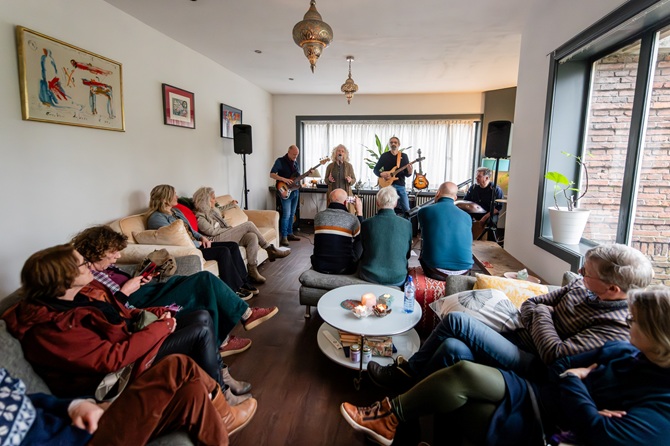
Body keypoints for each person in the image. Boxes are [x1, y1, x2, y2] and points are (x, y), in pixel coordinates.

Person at [341, 286, 670, 446]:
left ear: (659, 337)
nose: (630, 324)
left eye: (636, 321)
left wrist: (576, 381)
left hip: (549, 419)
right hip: (540, 389)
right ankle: (394, 414)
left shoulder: (661, 405)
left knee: (458, 342)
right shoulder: (624, 352)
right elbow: (560, 368)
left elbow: (593, 424)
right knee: (457, 355)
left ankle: (394, 408)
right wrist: (578, 382)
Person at [367, 243, 655, 392]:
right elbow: (532, 303)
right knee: (452, 347)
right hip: (515, 335)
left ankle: (403, 375)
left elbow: (555, 354)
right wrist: (545, 314)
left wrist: (543, 314)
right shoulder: (581, 287)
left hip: (531, 363)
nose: (579, 276)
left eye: (587, 273)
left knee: (456, 322)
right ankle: (410, 400)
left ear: (613, 289)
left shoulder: (616, 327)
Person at [3, 244, 252, 406]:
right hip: (122, 371)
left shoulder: (82, 295)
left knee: (200, 316)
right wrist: (161, 328)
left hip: (130, 339)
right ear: (63, 277)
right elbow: (112, 358)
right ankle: (220, 397)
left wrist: (159, 313)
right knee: (199, 329)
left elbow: (121, 314)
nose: (88, 265)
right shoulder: (51, 326)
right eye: (82, 263)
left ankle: (219, 381)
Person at [71, 225, 279, 358]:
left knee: (196, 284)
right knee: (204, 280)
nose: (117, 256)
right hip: (136, 303)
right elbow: (106, 311)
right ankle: (246, 315)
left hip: (144, 291)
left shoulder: (102, 267)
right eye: (112, 252)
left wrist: (139, 280)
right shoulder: (84, 277)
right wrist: (126, 291)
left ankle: (223, 340)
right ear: (97, 250)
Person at [14, 355, 256, 445]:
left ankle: (221, 425)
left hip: (88, 425)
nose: (88, 265)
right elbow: (105, 355)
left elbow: (28, 400)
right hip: (83, 438)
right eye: (81, 264)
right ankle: (225, 413)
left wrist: (75, 405)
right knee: (178, 365)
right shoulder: (50, 321)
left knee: (191, 391)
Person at [146, 184, 257, 299]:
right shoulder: (156, 218)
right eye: (174, 194)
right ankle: (232, 290)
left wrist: (201, 238)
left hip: (198, 244)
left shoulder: (175, 212)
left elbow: (190, 230)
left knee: (232, 246)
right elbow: (172, 238)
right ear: (165, 199)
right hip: (189, 249)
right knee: (223, 251)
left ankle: (243, 281)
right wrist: (196, 243)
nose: (177, 196)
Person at [192, 186, 290, 284]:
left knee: (252, 236)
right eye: (212, 198)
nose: (215, 200)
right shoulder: (199, 216)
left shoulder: (213, 210)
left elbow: (221, 208)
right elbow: (211, 232)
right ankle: (269, 249)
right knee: (249, 225)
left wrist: (231, 204)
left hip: (225, 234)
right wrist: (230, 230)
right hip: (216, 239)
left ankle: (252, 270)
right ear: (205, 200)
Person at [418, 181, 473, 280]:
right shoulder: (467, 217)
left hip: (435, 270)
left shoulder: (424, 211)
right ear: (455, 197)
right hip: (464, 271)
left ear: (438, 193)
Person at [358, 186, 412, 286]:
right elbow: (407, 254)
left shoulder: (366, 223)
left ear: (377, 203)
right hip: (398, 278)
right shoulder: (407, 224)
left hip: (370, 276)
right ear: (395, 203)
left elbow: (363, 250)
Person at [311, 188, 364, 274]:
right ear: (345, 203)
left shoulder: (318, 216)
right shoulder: (352, 218)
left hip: (319, 266)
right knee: (361, 238)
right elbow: (363, 235)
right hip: (345, 268)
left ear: (329, 201)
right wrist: (359, 212)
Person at [270, 144, 303, 247]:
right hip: (284, 190)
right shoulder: (280, 161)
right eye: (294, 154)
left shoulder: (295, 163)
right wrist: (284, 179)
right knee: (286, 214)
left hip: (295, 191)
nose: (295, 156)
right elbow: (272, 174)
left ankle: (290, 233)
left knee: (292, 213)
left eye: (297, 155)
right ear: (288, 152)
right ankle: (284, 236)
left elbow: (296, 177)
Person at [373, 137, 412, 214]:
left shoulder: (404, 156)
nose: (393, 144)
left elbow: (407, 174)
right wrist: (381, 174)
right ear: (389, 144)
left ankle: (407, 225)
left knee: (407, 209)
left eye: (395, 142)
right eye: (391, 142)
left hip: (400, 185)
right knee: (384, 208)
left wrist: (410, 171)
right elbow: (375, 170)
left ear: (399, 144)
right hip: (387, 186)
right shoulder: (384, 156)